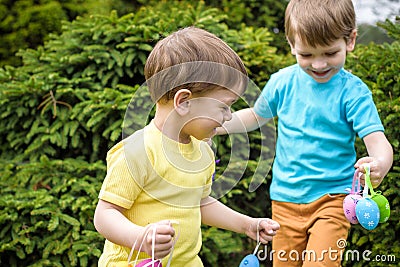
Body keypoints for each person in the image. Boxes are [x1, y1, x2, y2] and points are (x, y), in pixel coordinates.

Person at [216, 0, 393, 266]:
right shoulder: (281, 83)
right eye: (307, 55)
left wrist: (380, 163)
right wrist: (215, 124)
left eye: (330, 53)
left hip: (332, 200)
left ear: (351, 40)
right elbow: (255, 116)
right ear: (291, 45)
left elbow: (378, 142)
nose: (319, 64)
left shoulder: (353, 93)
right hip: (284, 201)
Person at [93, 26, 280, 267]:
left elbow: (200, 202)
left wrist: (246, 224)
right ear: (184, 102)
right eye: (224, 106)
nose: (229, 116)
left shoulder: (202, 151)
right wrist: (139, 237)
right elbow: (105, 214)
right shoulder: (139, 151)